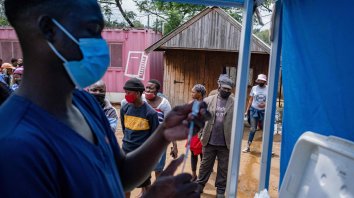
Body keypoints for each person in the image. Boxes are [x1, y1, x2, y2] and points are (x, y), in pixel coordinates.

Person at [0, 0, 210, 197]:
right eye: (92, 30)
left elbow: (119, 175)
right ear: (49, 29)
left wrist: (163, 134)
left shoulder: (86, 104)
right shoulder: (15, 147)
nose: (101, 44)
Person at [196, 74, 235, 198]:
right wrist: (201, 134)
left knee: (223, 168)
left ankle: (220, 190)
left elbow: (237, 122)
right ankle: (199, 186)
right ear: (219, 87)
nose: (226, 91)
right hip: (209, 140)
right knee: (205, 166)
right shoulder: (208, 101)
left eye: (229, 89)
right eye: (224, 88)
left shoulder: (235, 103)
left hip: (225, 142)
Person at [121, 78, 160, 197]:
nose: (126, 95)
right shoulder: (125, 108)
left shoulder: (150, 113)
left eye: (128, 93)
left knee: (144, 183)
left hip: (142, 156)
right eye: (125, 92)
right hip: (125, 153)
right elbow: (125, 130)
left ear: (138, 93)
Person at [144, 79, 178, 179]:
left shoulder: (164, 103)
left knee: (158, 168)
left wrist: (174, 146)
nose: (148, 90)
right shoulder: (141, 100)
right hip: (143, 140)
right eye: (147, 87)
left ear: (157, 90)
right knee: (144, 167)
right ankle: (145, 191)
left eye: (151, 88)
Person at [243, 74, 268, 153]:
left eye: (262, 80)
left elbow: (270, 100)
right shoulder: (254, 88)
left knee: (266, 129)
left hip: (264, 111)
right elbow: (250, 100)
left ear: (265, 81)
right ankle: (247, 146)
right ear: (258, 80)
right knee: (253, 129)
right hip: (254, 110)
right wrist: (247, 110)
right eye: (259, 80)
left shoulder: (268, 89)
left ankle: (268, 149)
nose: (260, 81)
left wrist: (265, 104)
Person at [189, 84, 206, 181]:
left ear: (199, 93)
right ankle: (194, 175)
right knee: (193, 154)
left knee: (203, 155)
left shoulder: (206, 104)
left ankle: (202, 177)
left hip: (202, 133)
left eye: (193, 92)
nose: (191, 93)